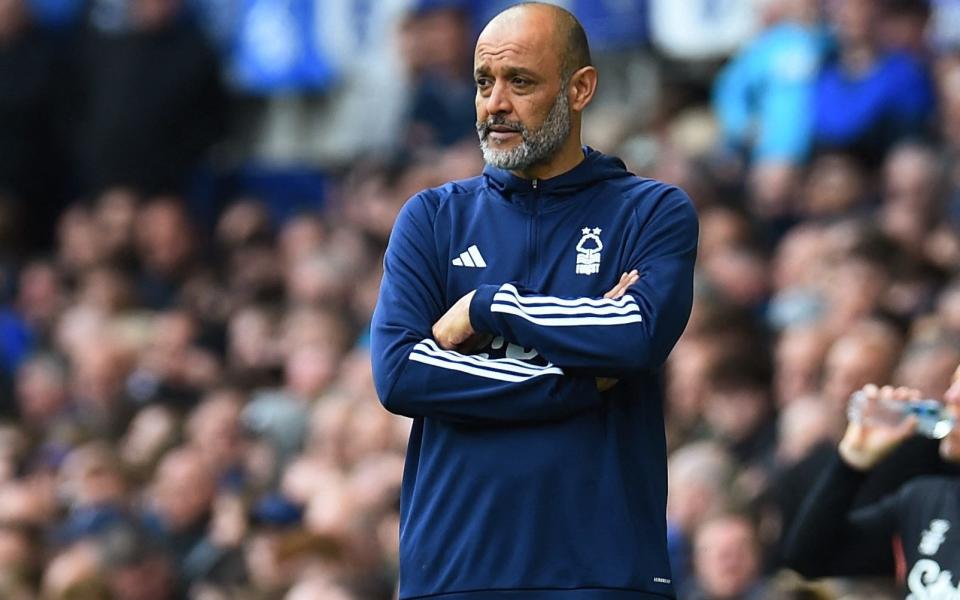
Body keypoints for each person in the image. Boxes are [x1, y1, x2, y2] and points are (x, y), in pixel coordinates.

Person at [370, 3, 699, 598]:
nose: (495, 103)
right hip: (453, 572)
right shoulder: (431, 218)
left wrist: (486, 308)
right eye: (483, 82)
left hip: (600, 573)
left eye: (519, 81)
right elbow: (399, 374)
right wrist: (576, 378)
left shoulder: (652, 211)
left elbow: (636, 333)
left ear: (580, 89)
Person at [783, 366, 960, 596]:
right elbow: (809, 559)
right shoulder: (925, 501)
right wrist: (850, 464)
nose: (951, 396)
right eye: (954, 382)